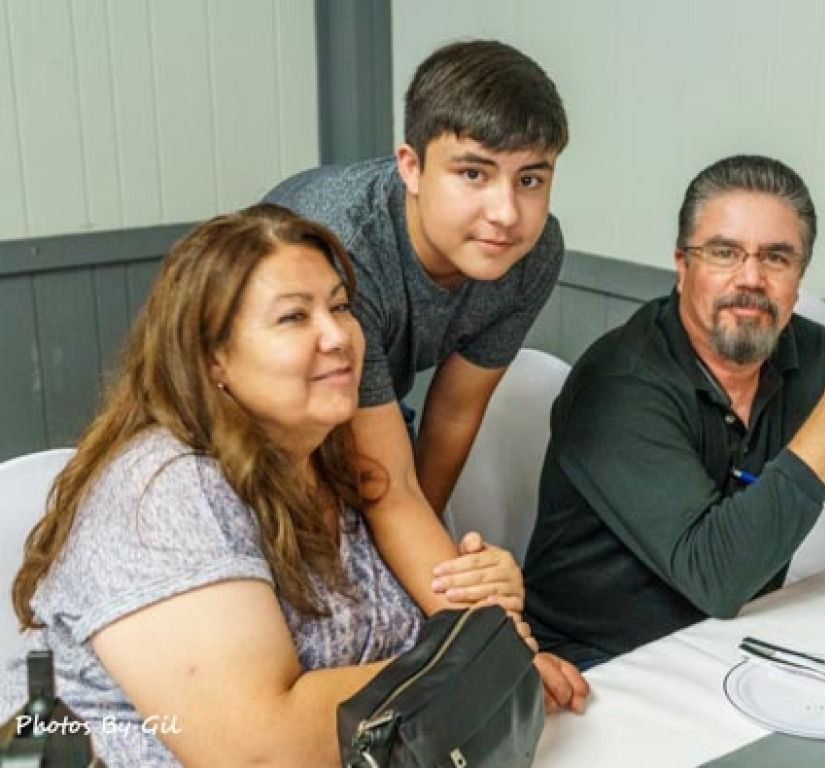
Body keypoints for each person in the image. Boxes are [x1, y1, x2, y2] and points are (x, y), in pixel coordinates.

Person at [0, 205, 548, 766]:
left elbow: (407, 649)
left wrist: (485, 594)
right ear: (213, 357)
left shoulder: (331, 455)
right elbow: (261, 748)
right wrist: (469, 665)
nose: (337, 335)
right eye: (294, 318)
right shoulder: (163, 491)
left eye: (340, 306)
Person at [524, 154, 825, 669]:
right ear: (683, 265)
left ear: (798, 277)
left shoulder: (813, 357)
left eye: (776, 257)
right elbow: (718, 576)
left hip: (741, 645)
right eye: (724, 252)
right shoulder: (619, 382)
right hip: (600, 671)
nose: (751, 277)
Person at [265, 40, 586, 704]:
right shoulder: (343, 245)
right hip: (252, 423)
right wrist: (498, 651)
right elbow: (387, 489)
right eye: (474, 174)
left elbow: (453, 414)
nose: (506, 212)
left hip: (358, 400)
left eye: (531, 178)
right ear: (410, 165)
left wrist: (422, 578)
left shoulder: (534, 248)